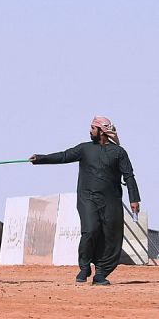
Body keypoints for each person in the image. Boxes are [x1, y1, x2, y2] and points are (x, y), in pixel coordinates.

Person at [30, 115, 140, 285]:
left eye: (92, 128)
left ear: (102, 132)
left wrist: (134, 199)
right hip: (87, 198)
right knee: (90, 229)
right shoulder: (84, 149)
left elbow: (129, 176)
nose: (90, 131)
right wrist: (41, 158)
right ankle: (84, 266)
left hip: (111, 201)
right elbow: (64, 156)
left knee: (110, 236)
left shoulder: (119, 153)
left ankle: (101, 274)